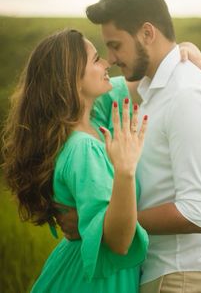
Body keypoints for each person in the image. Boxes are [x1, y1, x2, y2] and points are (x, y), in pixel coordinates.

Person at [58, 0, 201, 293]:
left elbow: (195, 213)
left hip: (184, 276)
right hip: (166, 271)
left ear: (147, 33)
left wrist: (108, 224)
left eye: (115, 45)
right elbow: (77, 90)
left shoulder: (188, 96)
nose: (110, 58)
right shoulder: (150, 86)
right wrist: (187, 47)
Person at [2, 28, 150, 292]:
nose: (107, 62)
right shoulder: (83, 149)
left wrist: (186, 52)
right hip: (94, 283)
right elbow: (119, 242)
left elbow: (148, 82)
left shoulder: (91, 120)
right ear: (70, 79)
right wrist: (125, 171)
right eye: (95, 59)